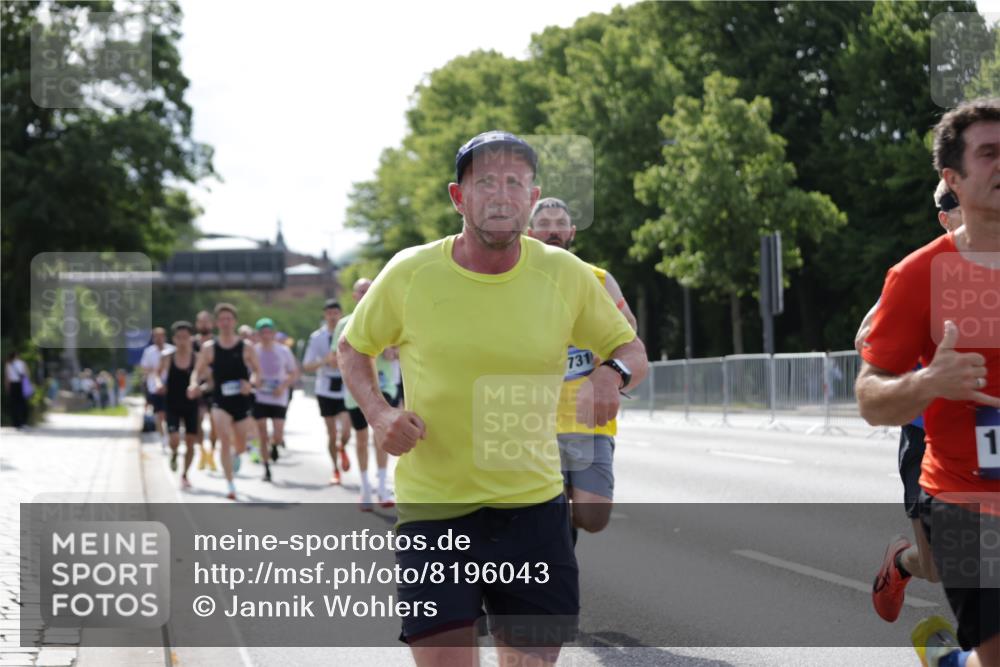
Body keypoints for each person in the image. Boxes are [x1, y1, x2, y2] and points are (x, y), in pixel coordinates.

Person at [338, 130, 647, 666]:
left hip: (533, 513)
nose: (501, 194)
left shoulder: (565, 274)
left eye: (514, 182)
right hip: (436, 516)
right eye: (485, 182)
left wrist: (610, 375)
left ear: (531, 196)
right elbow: (353, 347)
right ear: (459, 197)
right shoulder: (410, 272)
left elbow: (630, 346)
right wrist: (379, 412)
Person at [856, 99, 1000, 667]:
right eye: (988, 155)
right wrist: (931, 381)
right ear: (953, 179)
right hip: (967, 498)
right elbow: (870, 397)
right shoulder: (917, 277)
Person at [857, 180, 963, 623]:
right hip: (929, 438)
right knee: (939, 565)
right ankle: (900, 563)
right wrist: (928, 373)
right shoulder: (923, 272)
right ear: (945, 218)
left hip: (987, 434)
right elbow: (866, 338)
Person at [526, 197, 638, 543]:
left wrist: (608, 369)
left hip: (589, 418)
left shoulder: (598, 279)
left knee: (592, 516)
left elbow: (629, 336)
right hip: (536, 419)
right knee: (547, 515)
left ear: (572, 232)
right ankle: (554, 581)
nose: (553, 230)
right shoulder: (518, 280)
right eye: (544, 224)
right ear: (530, 232)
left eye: (560, 223)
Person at [332, 279, 398, 509]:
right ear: (354, 296)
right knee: (361, 439)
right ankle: (365, 487)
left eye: (370, 290)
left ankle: (382, 486)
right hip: (356, 392)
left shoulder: (389, 320)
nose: (366, 294)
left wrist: (392, 351)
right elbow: (337, 357)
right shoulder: (344, 324)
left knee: (381, 434)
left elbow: (399, 351)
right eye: (362, 291)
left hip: (384, 386)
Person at [189, 303, 261, 501]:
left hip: (241, 401)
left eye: (229, 319)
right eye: (222, 319)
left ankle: (237, 455)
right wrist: (194, 384)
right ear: (216, 323)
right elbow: (197, 370)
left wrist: (251, 382)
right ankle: (230, 485)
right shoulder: (209, 348)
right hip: (220, 400)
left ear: (234, 322)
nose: (226, 322)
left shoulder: (246, 347)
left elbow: (257, 371)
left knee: (239, 444)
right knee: (223, 439)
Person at [302, 299, 352, 485]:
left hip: (346, 387)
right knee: (331, 433)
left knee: (346, 431)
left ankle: (342, 448)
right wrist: (325, 361)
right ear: (325, 315)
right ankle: (335, 469)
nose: (332, 317)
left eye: (336, 313)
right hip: (325, 388)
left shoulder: (350, 332)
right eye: (329, 313)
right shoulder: (316, 337)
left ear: (341, 314)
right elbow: (307, 365)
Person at [252, 318, 299, 481]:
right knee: (262, 434)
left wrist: (283, 386)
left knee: (277, 434)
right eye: (262, 332)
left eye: (268, 332)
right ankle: (266, 468)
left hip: (278, 397)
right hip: (260, 396)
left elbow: (294, 372)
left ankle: (275, 445)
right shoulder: (253, 351)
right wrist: (254, 380)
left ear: (273, 333)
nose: (266, 335)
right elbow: (248, 371)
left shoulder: (284, 351)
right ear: (258, 335)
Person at [155, 321, 200, 489]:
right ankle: (174, 453)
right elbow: (157, 374)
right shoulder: (167, 357)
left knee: (190, 442)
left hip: (191, 404)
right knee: (174, 439)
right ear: (174, 339)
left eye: (186, 337)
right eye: (179, 338)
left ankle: (185, 474)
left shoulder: (197, 358)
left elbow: (209, 380)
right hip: (172, 403)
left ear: (191, 338)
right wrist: (159, 384)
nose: (182, 341)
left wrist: (199, 388)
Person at [140, 327, 174, 448]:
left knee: (170, 414)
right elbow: (144, 368)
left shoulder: (172, 350)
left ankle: (171, 434)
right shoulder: (149, 352)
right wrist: (157, 369)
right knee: (159, 415)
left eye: (161, 336)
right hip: (154, 387)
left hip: (171, 388)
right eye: (156, 336)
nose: (158, 339)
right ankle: (163, 437)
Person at [193, 310, 218, 472]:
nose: (204, 325)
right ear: (197, 324)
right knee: (198, 421)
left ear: (212, 324)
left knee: (215, 424)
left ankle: (212, 453)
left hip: (214, 387)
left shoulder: (217, 343)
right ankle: (202, 451)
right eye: (201, 322)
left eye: (207, 321)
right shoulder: (190, 343)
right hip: (197, 387)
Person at [5, 351, 29, 429]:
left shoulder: (8, 364)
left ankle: (15, 422)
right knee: (22, 403)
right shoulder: (22, 363)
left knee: (14, 404)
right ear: (17, 355)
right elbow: (26, 374)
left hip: (12, 385)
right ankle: (23, 422)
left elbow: (7, 377)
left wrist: (7, 387)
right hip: (20, 385)